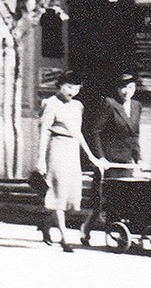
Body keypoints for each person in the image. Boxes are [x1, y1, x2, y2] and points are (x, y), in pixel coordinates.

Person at [35, 71, 104, 252]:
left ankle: (46, 224)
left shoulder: (78, 106)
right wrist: (41, 159)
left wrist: (90, 156)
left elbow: (78, 133)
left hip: (72, 151)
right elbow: (44, 132)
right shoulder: (51, 103)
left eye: (76, 88)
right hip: (57, 147)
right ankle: (64, 238)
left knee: (71, 199)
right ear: (60, 85)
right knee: (59, 193)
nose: (72, 91)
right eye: (69, 87)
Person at [80, 72, 146, 244]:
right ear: (117, 89)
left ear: (134, 88)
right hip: (109, 161)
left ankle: (122, 234)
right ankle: (86, 229)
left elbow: (134, 135)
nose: (126, 91)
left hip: (126, 161)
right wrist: (100, 158)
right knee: (102, 202)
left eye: (130, 87)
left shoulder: (137, 106)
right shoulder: (109, 103)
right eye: (122, 87)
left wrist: (138, 158)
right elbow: (95, 131)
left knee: (125, 199)